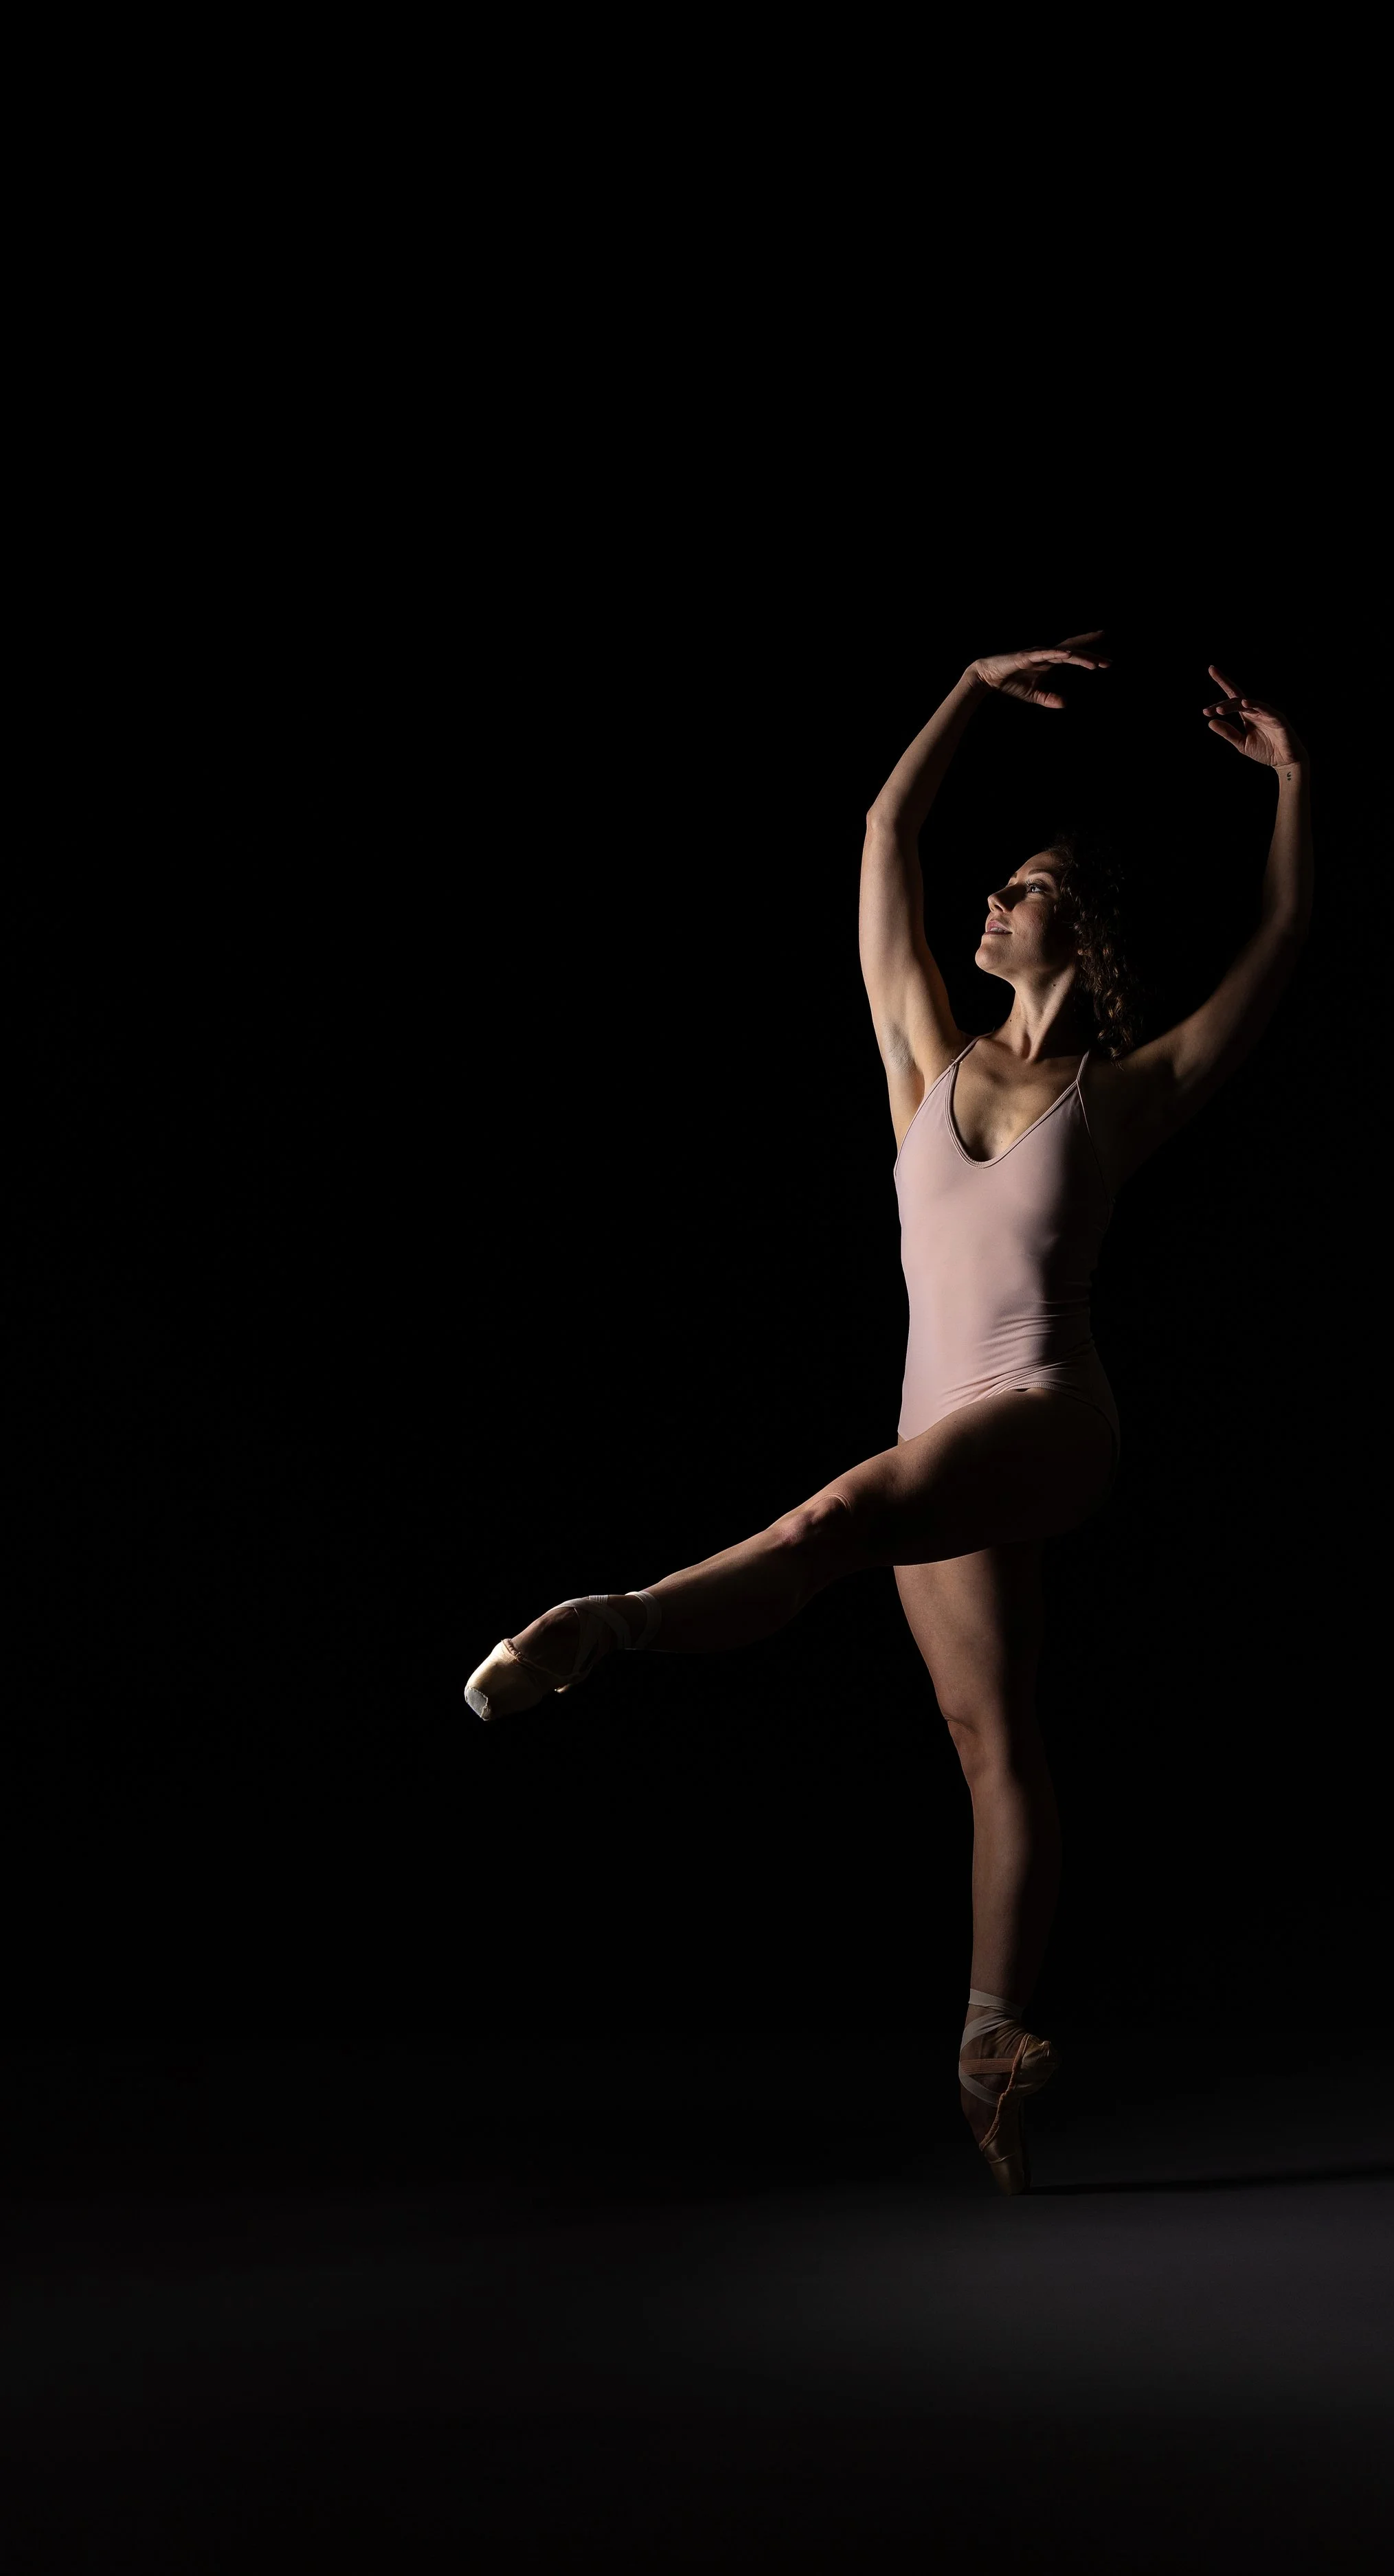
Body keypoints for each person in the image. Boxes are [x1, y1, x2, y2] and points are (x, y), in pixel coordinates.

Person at [464, 635, 1315, 2193]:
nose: (991, 903)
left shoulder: (1120, 1094)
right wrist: (969, 690)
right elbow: (883, 836)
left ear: (1085, 920)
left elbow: (1271, 940)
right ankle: (993, 2043)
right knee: (985, 1733)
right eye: (993, 884)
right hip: (940, 1416)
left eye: (1028, 884)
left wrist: (1293, 783)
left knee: (831, 1521)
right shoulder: (924, 1053)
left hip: (1048, 1416)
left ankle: (612, 1623)